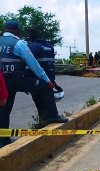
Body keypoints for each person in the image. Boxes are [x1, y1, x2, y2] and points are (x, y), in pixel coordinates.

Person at [0, 20, 55, 148]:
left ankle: (3, 140)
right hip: (16, 80)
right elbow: (33, 64)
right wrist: (47, 80)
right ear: (17, 31)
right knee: (45, 86)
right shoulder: (19, 43)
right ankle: (52, 115)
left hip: (2, 81)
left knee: (4, 110)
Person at [27, 27, 68, 123]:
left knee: (39, 103)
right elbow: (51, 65)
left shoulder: (33, 46)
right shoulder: (50, 47)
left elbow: (28, 64)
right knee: (49, 100)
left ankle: (45, 120)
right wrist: (52, 80)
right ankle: (51, 117)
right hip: (49, 79)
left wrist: (27, 81)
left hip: (36, 79)